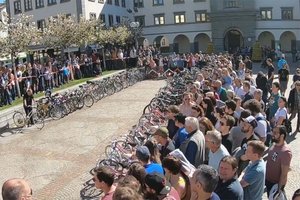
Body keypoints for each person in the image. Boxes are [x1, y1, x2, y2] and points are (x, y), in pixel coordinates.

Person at [265, 126, 292, 197]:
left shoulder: (286, 152)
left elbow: (284, 174)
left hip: (275, 185)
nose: (272, 134)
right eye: (272, 132)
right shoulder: (273, 144)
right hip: (268, 180)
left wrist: (279, 190)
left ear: (282, 135)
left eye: (275, 133)